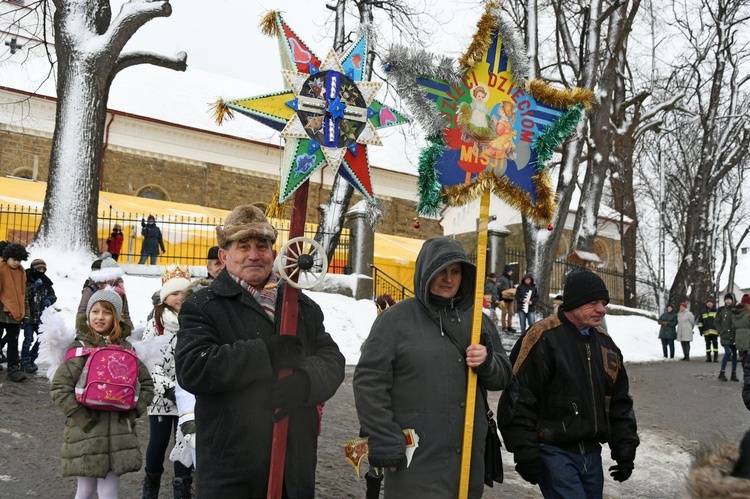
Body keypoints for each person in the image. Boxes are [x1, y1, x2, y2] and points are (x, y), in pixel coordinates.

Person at [174, 204, 346, 497]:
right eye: (243, 246)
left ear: (274, 253)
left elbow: (333, 361)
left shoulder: (301, 307)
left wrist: (305, 382)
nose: (254, 255)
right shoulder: (204, 306)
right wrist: (264, 354)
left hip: (293, 465)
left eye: (262, 246)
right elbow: (194, 367)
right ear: (224, 255)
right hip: (233, 468)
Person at [353, 237, 513, 498]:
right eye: (440, 271)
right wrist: (384, 436)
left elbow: (503, 375)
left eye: (455, 272)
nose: (448, 279)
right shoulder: (396, 320)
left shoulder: (476, 321)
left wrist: (487, 362)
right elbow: (369, 382)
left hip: (467, 462)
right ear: (425, 271)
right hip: (415, 461)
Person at [498, 267, 639, 498]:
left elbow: (619, 402)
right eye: (593, 302)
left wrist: (624, 449)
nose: (602, 309)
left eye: (603, 303)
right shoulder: (543, 337)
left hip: (592, 454)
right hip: (554, 452)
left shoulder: (607, 346)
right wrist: (524, 449)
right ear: (574, 302)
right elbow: (518, 396)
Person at [50, 289, 154, 499]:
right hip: (85, 433)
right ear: (87, 315)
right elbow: (60, 387)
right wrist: (81, 418)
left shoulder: (126, 349)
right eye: (94, 311)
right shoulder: (80, 348)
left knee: (109, 492)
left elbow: (147, 386)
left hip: (118, 433)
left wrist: (131, 416)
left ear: (116, 316)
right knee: (85, 490)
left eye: (106, 312)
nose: (99, 317)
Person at [141, 265, 194, 499]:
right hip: (162, 397)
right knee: (159, 442)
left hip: (188, 396)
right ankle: (151, 483)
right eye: (174, 293)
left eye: (184, 292)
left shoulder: (195, 319)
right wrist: (167, 388)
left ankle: (182, 487)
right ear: (165, 296)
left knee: (185, 441)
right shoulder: (156, 322)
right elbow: (148, 360)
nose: (179, 297)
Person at [76, 256, 133, 335]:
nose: (112, 279)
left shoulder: (120, 291)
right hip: (94, 330)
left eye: (115, 276)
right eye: (109, 275)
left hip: (116, 331)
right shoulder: (92, 289)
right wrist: (82, 329)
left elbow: (125, 312)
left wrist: (128, 329)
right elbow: (82, 310)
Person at [21, 258, 57, 373]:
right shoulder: (27, 280)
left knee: (42, 339)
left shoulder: (46, 282)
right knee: (28, 339)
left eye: (43, 269)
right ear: (33, 268)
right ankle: (24, 361)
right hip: (29, 316)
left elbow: (53, 295)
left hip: (41, 317)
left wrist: (49, 300)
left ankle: (32, 357)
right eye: (38, 269)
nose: (41, 271)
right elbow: (24, 294)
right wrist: (34, 286)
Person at [0, 243, 29, 382]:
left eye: (19, 260)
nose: (17, 262)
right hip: (0, 312)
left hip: (15, 315)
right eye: (14, 259)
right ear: (7, 257)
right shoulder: (0, 268)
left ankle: (13, 368)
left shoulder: (21, 272)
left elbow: (24, 295)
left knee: (13, 342)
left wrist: (26, 313)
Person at [716, 293, 739, 381]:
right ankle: (722, 372)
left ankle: (733, 374)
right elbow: (717, 321)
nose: (728, 301)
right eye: (726, 299)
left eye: (729, 299)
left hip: (734, 336)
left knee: (734, 355)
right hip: (725, 335)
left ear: (733, 300)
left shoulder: (737, 310)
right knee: (727, 353)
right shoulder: (721, 310)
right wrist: (720, 331)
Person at [698, 298, 719, 362]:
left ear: (713, 303)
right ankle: (708, 357)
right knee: (707, 345)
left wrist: (719, 330)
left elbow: (719, 321)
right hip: (706, 331)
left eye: (710, 302)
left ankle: (715, 357)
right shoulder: (703, 312)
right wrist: (700, 330)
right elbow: (700, 322)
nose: (709, 304)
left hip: (714, 331)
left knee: (715, 345)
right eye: (708, 302)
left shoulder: (716, 311)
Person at [496, 264, 516, 332]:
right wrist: (500, 298)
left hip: (510, 298)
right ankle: (504, 326)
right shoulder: (502, 279)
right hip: (503, 299)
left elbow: (512, 287)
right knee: (504, 313)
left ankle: (509, 326)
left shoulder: (511, 279)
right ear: (506, 271)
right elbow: (498, 288)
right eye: (510, 271)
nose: (511, 272)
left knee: (511, 312)